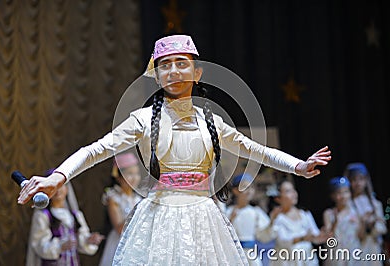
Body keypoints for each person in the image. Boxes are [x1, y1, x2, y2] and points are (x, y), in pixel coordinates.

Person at [18, 34, 331, 265]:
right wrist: (58, 177)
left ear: (197, 74)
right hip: (160, 218)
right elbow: (95, 150)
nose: (173, 71)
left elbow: (255, 149)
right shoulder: (143, 119)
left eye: (182, 64)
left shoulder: (213, 121)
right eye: (165, 65)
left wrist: (298, 166)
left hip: (204, 217)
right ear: (157, 76)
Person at [26, 170, 104, 266]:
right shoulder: (43, 216)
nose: (58, 191)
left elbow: (81, 240)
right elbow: (39, 244)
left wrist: (89, 240)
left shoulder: (75, 215)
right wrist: (60, 246)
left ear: (67, 189)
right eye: (53, 187)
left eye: (60, 186)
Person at [268, 179, 330, 266]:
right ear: (278, 198)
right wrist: (303, 238)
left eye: (293, 190)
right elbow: (283, 241)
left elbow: (314, 236)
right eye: (288, 191)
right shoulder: (277, 217)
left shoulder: (305, 214)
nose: (293, 194)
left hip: (306, 259)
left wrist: (321, 236)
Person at [99, 152, 142, 266]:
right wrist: (137, 210)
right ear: (118, 177)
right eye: (130, 174)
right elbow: (119, 228)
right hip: (119, 244)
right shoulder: (113, 198)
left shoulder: (137, 198)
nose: (134, 178)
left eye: (137, 174)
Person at [226, 173, 277, 266]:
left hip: (250, 255)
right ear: (235, 190)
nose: (249, 191)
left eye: (251, 187)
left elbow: (264, 235)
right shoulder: (228, 212)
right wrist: (230, 220)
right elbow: (222, 234)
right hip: (232, 255)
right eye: (245, 187)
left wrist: (272, 222)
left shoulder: (255, 212)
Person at [344, 162, 387, 265]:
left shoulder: (375, 204)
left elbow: (382, 228)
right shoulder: (347, 205)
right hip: (354, 249)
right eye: (354, 180)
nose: (358, 183)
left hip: (372, 247)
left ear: (366, 180)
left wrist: (371, 225)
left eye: (361, 179)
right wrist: (362, 223)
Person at [322, 176, 363, 266]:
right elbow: (328, 236)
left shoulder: (355, 211)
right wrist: (335, 222)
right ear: (333, 196)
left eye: (346, 192)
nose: (343, 196)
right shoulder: (329, 213)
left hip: (352, 252)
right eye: (339, 193)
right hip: (336, 253)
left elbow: (360, 234)